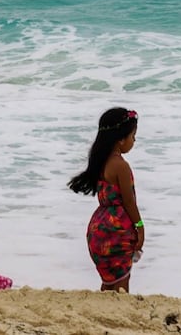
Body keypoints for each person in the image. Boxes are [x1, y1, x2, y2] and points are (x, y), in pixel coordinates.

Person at [68, 107, 143, 293]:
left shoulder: (100, 162)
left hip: (97, 230)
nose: (134, 140)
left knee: (109, 282)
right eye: (133, 136)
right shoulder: (121, 166)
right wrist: (140, 226)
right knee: (122, 283)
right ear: (120, 139)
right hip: (117, 230)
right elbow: (129, 202)